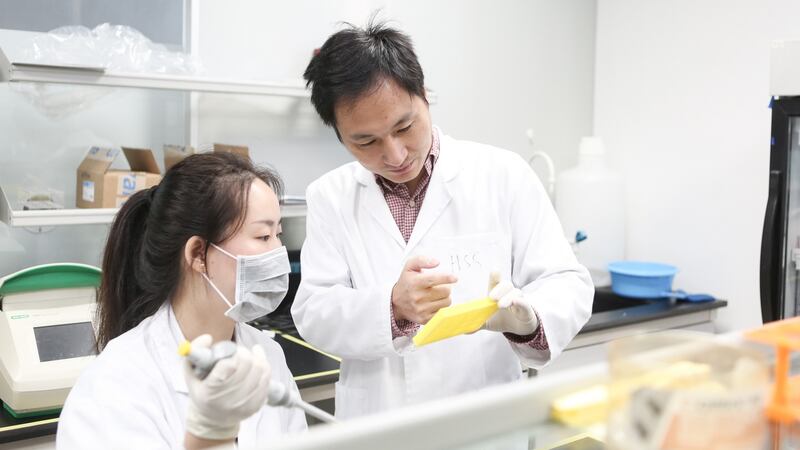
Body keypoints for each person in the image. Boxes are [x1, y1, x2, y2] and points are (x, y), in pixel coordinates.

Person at [292, 20, 594, 419]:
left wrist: (529, 319)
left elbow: (567, 280)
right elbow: (314, 311)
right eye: (366, 141)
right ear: (339, 135)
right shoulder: (330, 197)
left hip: (482, 422)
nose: (395, 155)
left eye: (405, 126)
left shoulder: (503, 174)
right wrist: (392, 307)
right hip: (380, 426)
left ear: (425, 96)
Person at [57, 153, 307, 449]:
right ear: (198, 254)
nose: (278, 253)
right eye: (263, 236)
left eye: (278, 233)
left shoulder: (267, 355)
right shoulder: (115, 385)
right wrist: (208, 436)